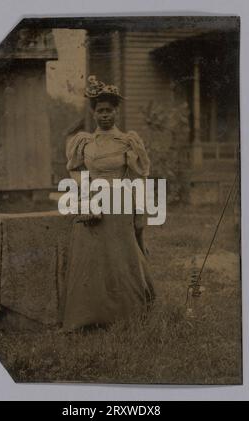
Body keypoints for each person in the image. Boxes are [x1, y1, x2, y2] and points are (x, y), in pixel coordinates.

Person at [61, 75, 155, 332]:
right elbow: (74, 169)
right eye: (100, 111)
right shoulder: (84, 142)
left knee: (121, 258)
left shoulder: (128, 142)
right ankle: (90, 316)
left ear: (116, 111)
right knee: (92, 260)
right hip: (94, 204)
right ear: (93, 114)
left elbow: (139, 177)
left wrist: (139, 215)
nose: (104, 115)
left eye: (109, 110)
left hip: (120, 202)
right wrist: (86, 193)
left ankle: (128, 316)